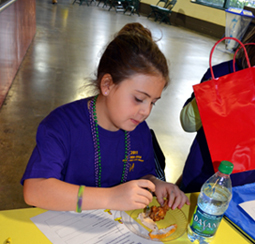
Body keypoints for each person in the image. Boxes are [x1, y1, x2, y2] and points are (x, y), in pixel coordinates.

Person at [22, 22, 190, 213]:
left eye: (153, 102)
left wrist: (155, 183)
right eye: (139, 99)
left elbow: (143, 173)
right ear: (107, 85)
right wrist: (110, 198)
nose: (146, 112)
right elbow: (34, 190)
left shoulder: (139, 130)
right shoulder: (62, 125)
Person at [179, 23, 255, 193]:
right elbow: (187, 123)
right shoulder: (225, 73)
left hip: (241, 184)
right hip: (200, 179)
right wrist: (210, 95)